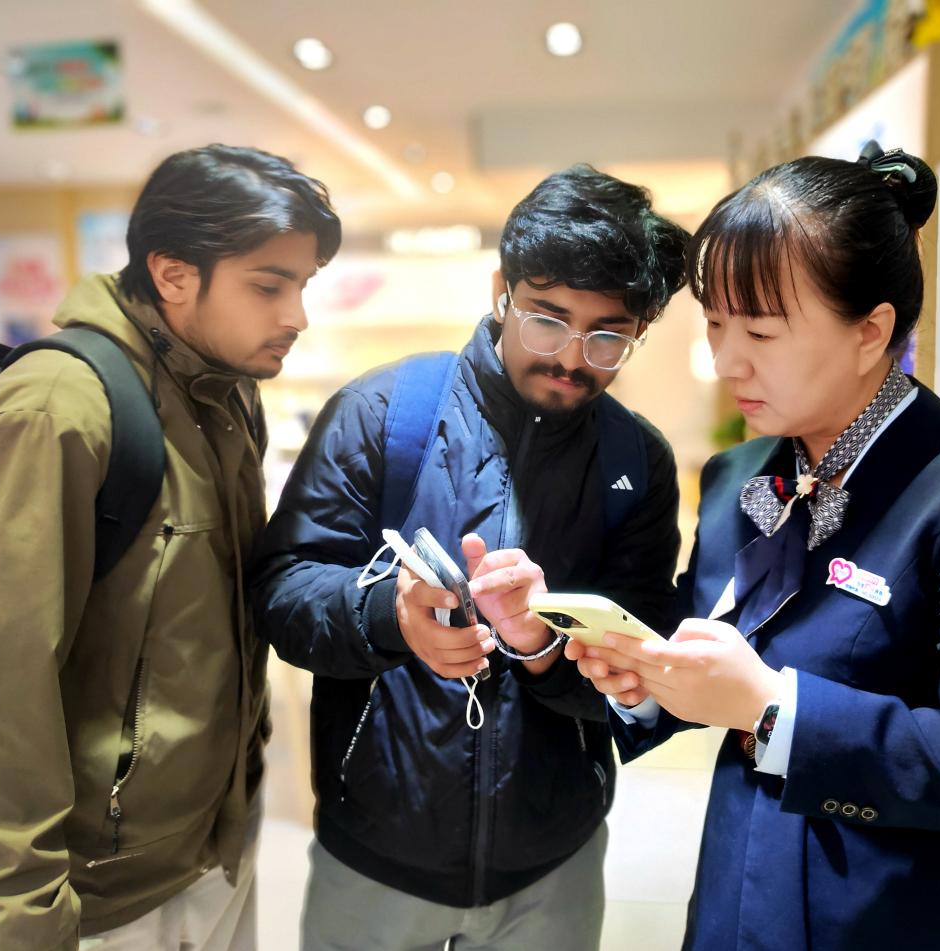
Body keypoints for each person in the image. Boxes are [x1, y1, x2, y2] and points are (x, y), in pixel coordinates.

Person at [570, 142, 940, 950]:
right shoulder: (738, 475)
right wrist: (639, 676)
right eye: (715, 323)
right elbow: (705, 637)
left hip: (921, 919)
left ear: (871, 331)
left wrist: (769, 705)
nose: (726, 360)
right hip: (744, 899)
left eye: (761, 330)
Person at [0, 145, 341, 951]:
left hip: (209, 849)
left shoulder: (224, 392)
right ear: (173, 275)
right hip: (99, 896)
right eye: (269, 286)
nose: (296, 316)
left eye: (303, 285)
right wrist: (21, 927)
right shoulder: (55, 410)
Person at [254, 165, 689, 950]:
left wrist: (543, 646)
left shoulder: (636, 460)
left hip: (553, 858)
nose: (571, 357)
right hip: (376, 852)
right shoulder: (383, 415)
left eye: (608, 336)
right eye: (548, 320)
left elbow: (645, 658)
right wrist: (388, 615)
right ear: (502, 291)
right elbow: (283, 591)